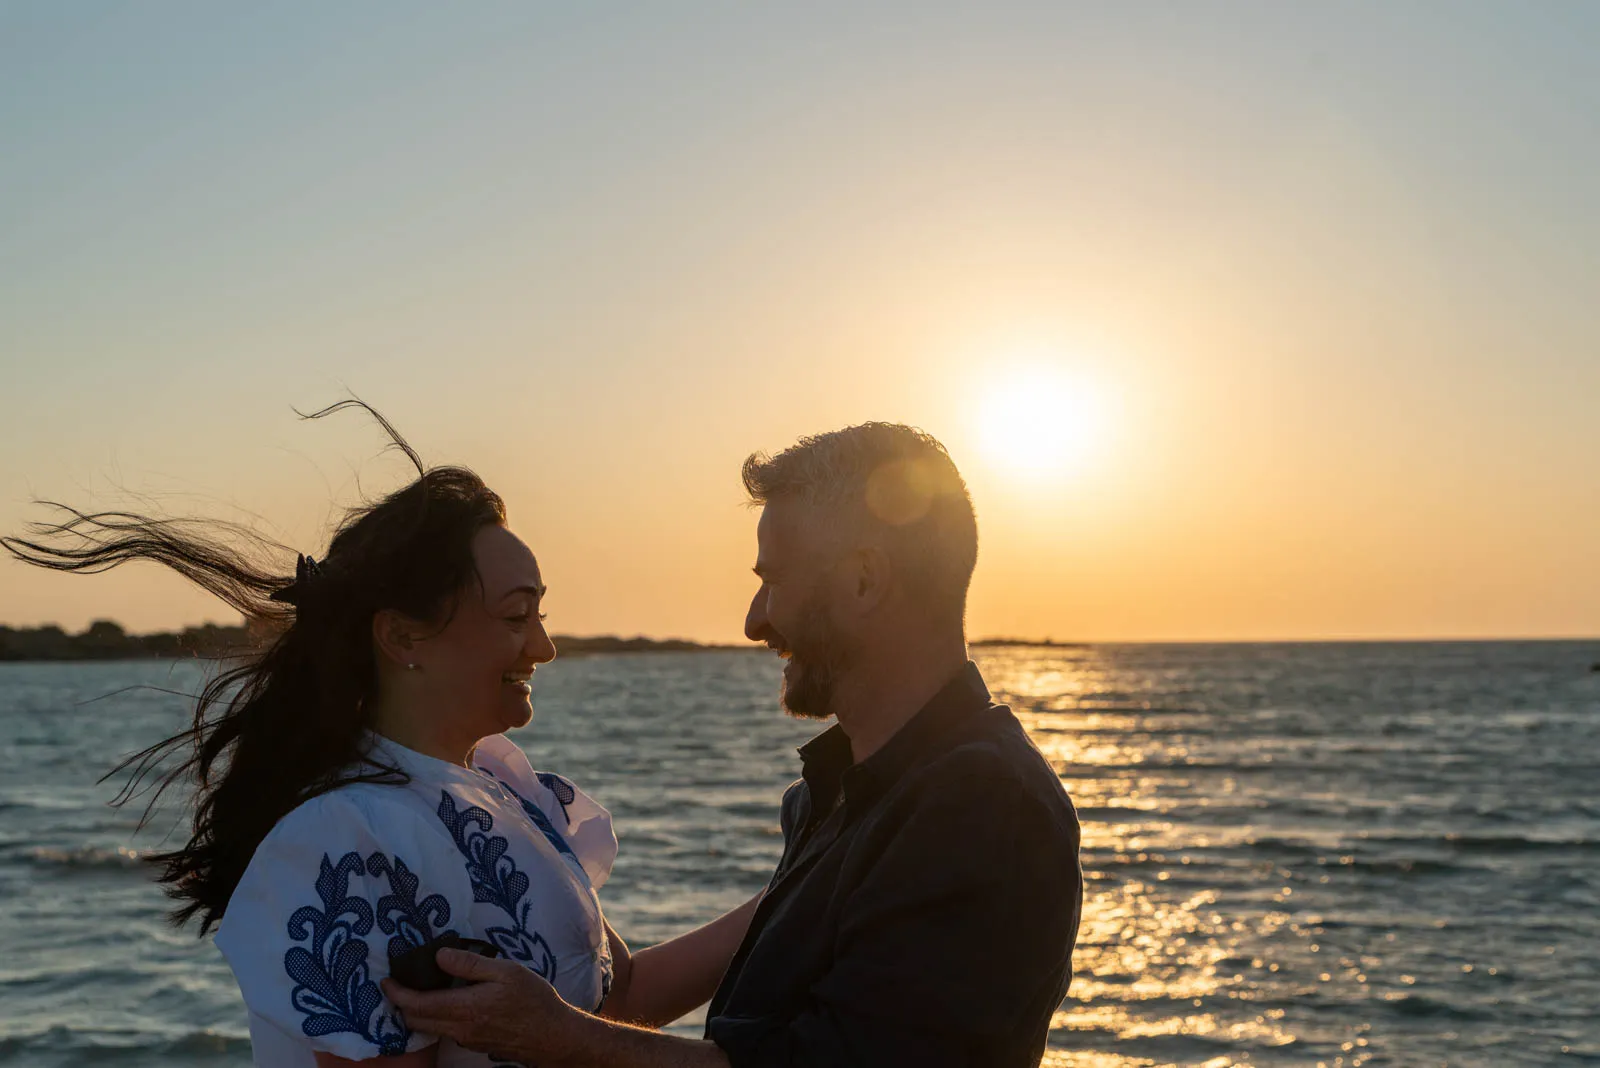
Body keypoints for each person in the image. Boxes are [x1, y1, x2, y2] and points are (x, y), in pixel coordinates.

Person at [0, 402, 759, 1067]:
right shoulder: (347, 838)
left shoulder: (503, 790)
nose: (544, 647)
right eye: (514, 616)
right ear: (402, 636)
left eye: (541, 614)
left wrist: (809, 878)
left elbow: (619, 1000)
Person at [385, 422, 1084, 1067]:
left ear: (864, 581)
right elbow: (631, 994)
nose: (753, 622)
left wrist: (560, 1038)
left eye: (772, 581)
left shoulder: (984, 803)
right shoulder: (842, 796)